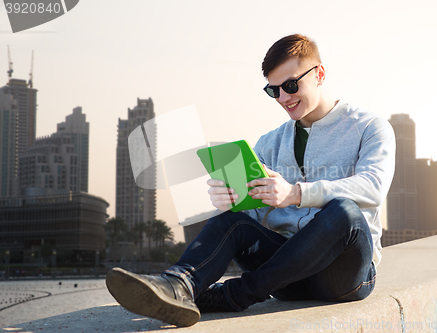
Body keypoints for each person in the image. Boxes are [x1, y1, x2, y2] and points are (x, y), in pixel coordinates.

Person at [106, 34, 396, 327]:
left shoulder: (369, 127)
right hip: (287, 277)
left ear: (319, 74)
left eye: (291, 85)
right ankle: (177, 285)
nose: (284, 98)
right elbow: (255, 215)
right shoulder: (269, 143)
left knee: (344, 211)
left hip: (344, 276)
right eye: (274, 91)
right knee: (230, 221)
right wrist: (234, 202)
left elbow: (373, 187)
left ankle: (233, 295)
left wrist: (295, 193)